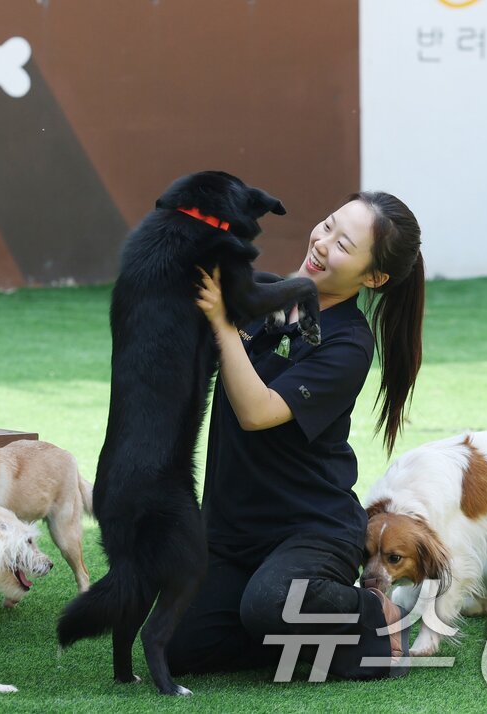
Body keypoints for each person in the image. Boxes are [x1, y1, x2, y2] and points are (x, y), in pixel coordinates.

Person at [166, 191, 425, 680]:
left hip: (310, 528)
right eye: (326, 225)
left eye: (343, 244)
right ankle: (277, 623)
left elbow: (257, 412)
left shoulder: (348, 343)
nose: (322, 243)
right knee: (180, 647)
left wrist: (222, 325)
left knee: (273, 601)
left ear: (373, 278)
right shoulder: (259, 296)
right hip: (231, 530)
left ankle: (374, 616)